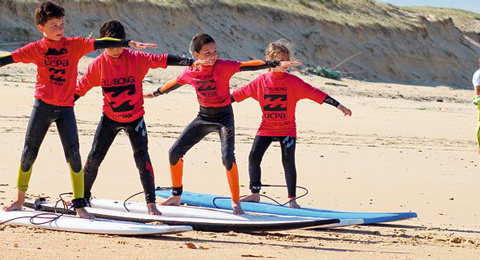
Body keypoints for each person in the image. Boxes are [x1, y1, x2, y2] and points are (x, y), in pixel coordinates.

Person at [0, 1, 156, 218]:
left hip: (65, 110)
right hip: (42, 106)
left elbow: (100, 43)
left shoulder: (73, 44)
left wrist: (127, 42)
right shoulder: (36, 49)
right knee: (29, 153)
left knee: (74, 156)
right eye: (54, 26)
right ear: (41, 28)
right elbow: (8, 58)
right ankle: (19, 198)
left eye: (62, 24)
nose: (60, 29)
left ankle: (79, 205)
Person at [144, 33, 299, 214]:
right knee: (174, 152)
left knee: (227, 157)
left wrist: (272, 64)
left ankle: (236, 203)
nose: (213, 56)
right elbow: (175, 82)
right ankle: (176, 196)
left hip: (224, 118)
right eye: (207, 53)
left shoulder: (223, 66)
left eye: (215, 52)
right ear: (196, 55)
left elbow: (245, 66)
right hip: (203, 117)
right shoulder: (190, 72)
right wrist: (156, 93)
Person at [75, 20, 202, 215]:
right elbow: (79, 89)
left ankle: (150, 203)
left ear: (124, 42)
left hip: (135, 119)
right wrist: (60, 107)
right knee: (94, 157)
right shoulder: (98, 65)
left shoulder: (135, 58)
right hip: (109, 118)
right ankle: (83, 198)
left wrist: (191, 62)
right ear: (102, 44)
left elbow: (162, 60)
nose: (115, 51)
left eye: (119, 45)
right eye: (110, 46)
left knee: (142, 159)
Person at [233, 40, 352, 208]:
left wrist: (339, 105)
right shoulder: (260, 81)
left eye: (287, 59)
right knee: (254, 157)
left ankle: (292, 200)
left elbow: (316, 93)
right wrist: (216, 104)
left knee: (288, 161)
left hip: (287, 129)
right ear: (271, 60)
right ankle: (255, 194)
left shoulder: (293, 82)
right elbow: (237, 95)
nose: (287, 63)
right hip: (266, 128)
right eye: (282, 59)